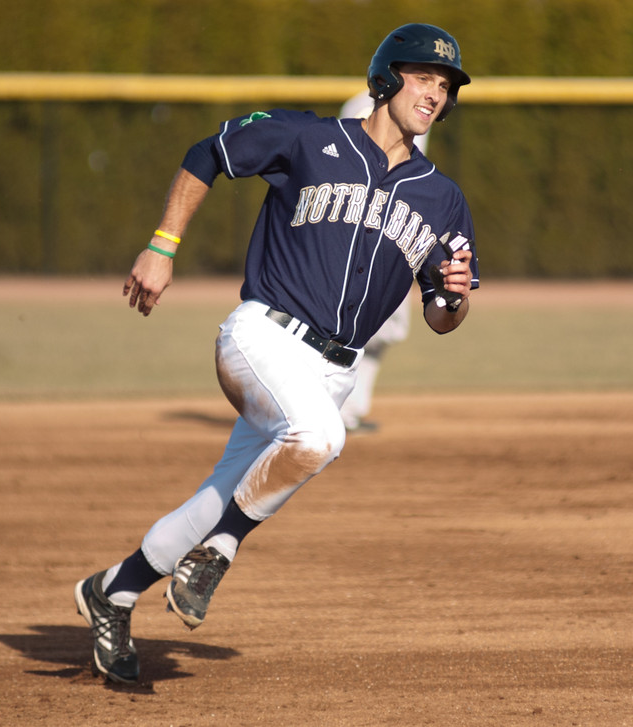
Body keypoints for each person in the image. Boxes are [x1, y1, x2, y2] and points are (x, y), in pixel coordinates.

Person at [74, 23, 479, 685]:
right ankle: (221, 552)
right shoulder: (309, 139)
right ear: (385, 77)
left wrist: (454, 298)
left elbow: (441, 316)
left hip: (333, 369)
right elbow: (208, 153)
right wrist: (163, 245)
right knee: (320, 437)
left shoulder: (443, 198)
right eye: (422, 77)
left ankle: (113, 591)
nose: (435, 93)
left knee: (220, 495)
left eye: (445, 85)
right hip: (261, 334)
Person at [336, 91, 430, 433]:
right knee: (353, 328)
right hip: (368, 234)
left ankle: (352, 408)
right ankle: (336, 408)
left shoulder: (422, 103)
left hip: (394, 230)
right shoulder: (367, 105)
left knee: (388, 330)